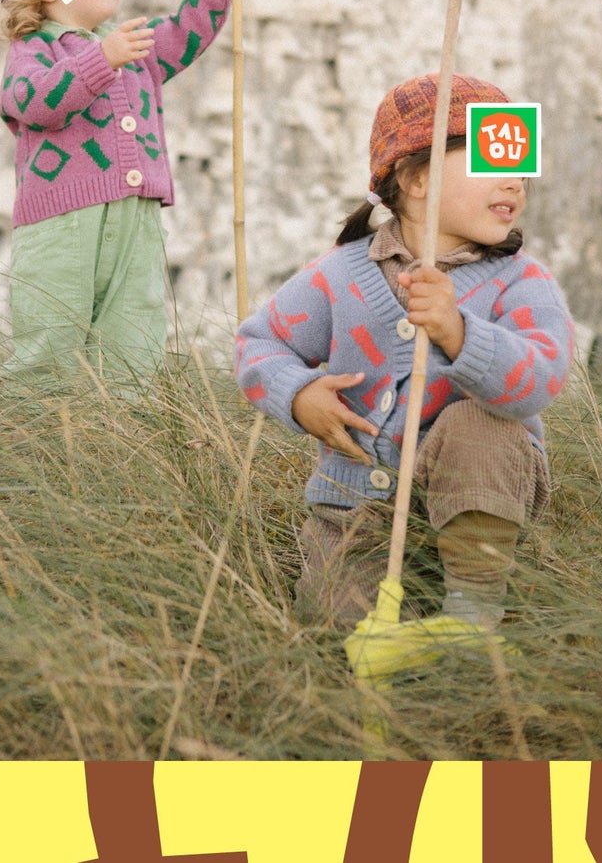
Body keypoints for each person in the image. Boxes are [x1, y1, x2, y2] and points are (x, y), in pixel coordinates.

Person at [236, 72, 571, 635]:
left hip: (481, 498)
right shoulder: (341, 273)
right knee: (341, 639)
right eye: (493, 164)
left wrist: (459, 331)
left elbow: (539, 381)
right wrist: (298, 396)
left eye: (520, 170)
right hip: (357, 511)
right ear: (415, 179)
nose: (515, 184)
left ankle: (473, 613)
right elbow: (258, 342)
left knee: (478, 423)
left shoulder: (522, 281)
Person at [0, 0, 250, 393]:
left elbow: (185, 30)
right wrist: (101, 59)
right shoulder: (32, 50)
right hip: (61, 225)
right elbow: (33, 102)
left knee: (133, 344)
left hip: (137, 220)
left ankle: (118, 445)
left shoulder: (133, 49)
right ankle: (31, 444)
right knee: (50, 346)